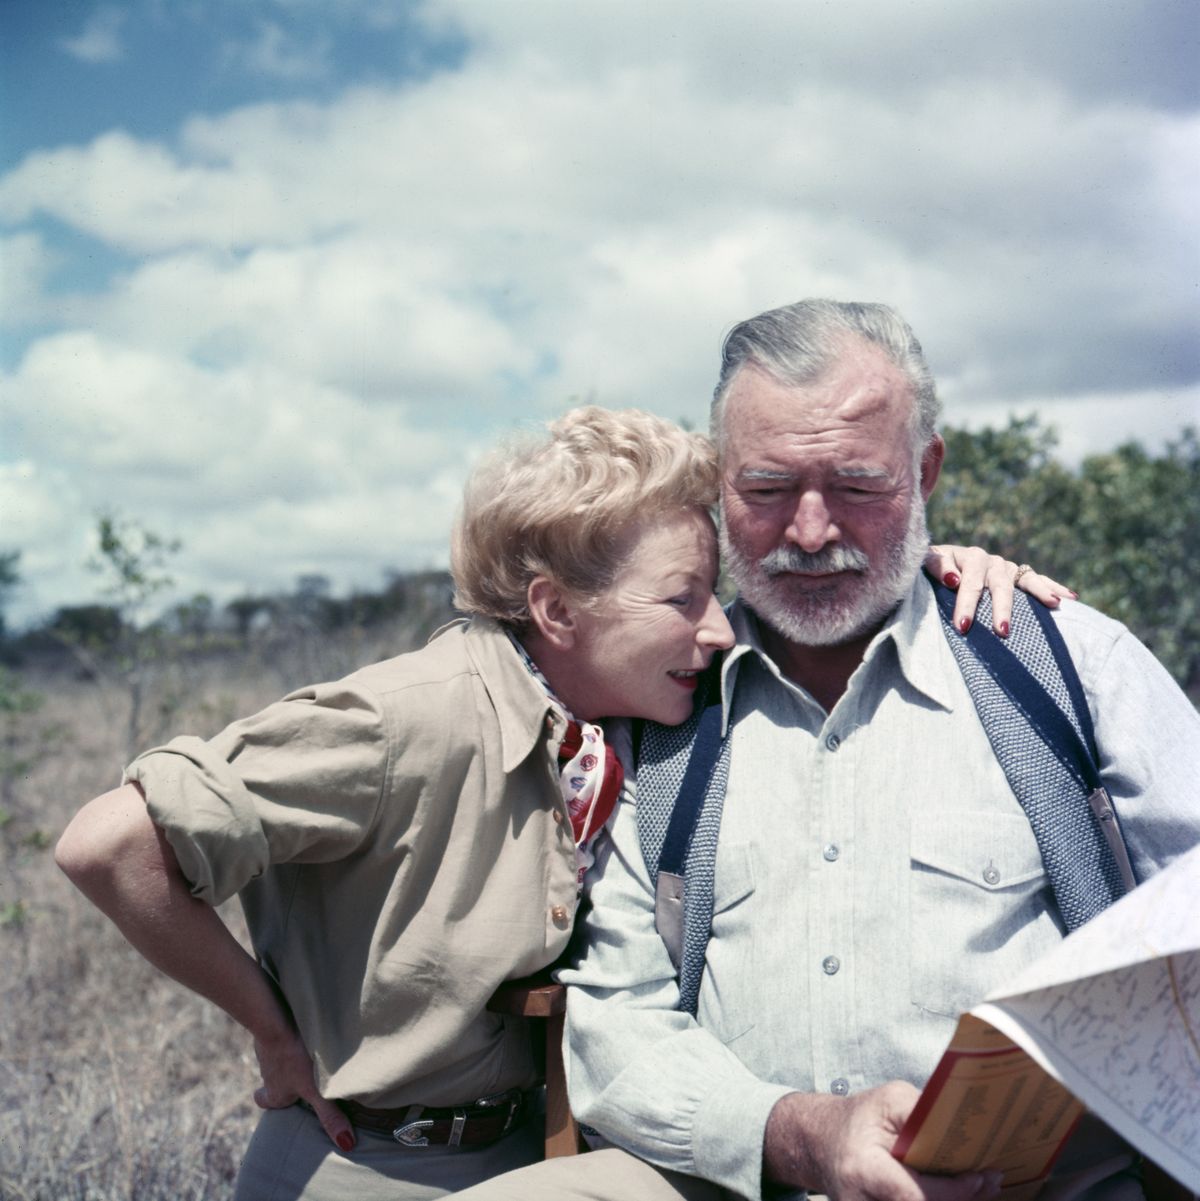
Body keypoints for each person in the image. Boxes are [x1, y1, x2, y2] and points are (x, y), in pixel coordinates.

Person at [56, 404, 1051, 1200]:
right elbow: (109, 843)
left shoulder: (620, 717)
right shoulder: (410, 717)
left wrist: (937, 572)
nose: (713, 629)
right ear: (555, 610)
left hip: (540, 1158)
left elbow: (815, 609)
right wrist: (272, 1033)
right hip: (363, 1162)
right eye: (680, 597)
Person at [453, 302, 1200, 1201]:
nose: (809, 532)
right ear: (718, 482)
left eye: (855, 485)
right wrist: (798, 1136)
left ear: (924, 472)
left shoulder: (1064, 665)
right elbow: (618, 1022)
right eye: (765, 490)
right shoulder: (655, 705)